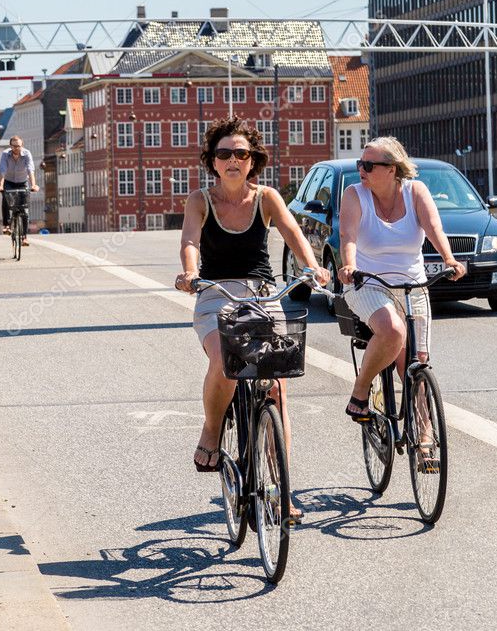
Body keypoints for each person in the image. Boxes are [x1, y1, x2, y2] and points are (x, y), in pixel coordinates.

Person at [175, 116, 328, 523]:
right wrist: (189, 273)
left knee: (276, 388)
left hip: (263, 295)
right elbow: (190, 241)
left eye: (240, 154)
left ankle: (281, 488)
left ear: (252, 160)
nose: (232, 160)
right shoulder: (200, 200)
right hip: (216, 295)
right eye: (224, 153)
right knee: (224, 362)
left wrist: (312, 267)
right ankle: (212, 429)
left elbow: (294, 234)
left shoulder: (267, 198)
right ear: (212, 161)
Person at [337, 136, 466, 431]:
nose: (362, 170)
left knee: (416, 362)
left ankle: (424, 433)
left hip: (412, 285)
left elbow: (434, 228)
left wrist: (449, 259)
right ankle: (360, 390)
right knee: (393, 330)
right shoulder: (355, 194)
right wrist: (349, 266)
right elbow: (348, 235)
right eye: (360, 164)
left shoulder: (415, 192)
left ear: (392, 169)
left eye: (369, 165)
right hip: (368, 283)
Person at [0, 136, 39, 246]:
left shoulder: (27, 154)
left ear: (22, 145)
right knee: (6, 199)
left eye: (18, 146)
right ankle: (6, 225)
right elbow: (2, 170)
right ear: (10, 146)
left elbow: (30, 170)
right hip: (9, 182)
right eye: (14, 146)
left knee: (24, 210)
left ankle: (24, 237)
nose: (16, 148)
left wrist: (33, 185)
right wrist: (0, 185)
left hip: (22, 182)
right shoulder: (5, 154)